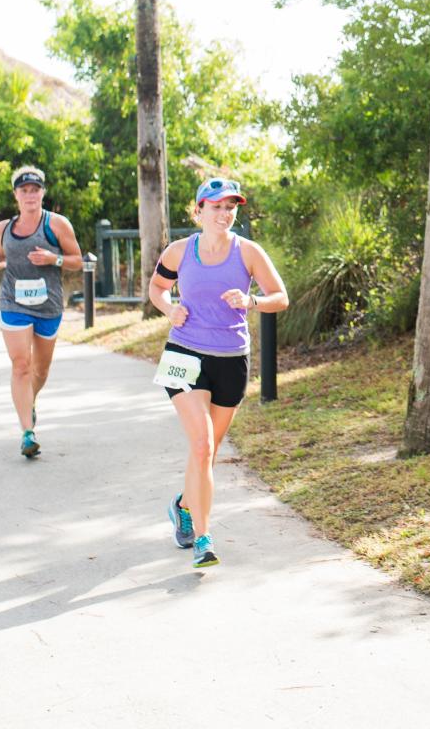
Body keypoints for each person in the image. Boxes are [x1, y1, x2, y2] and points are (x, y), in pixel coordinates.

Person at [148, 177, 288, 569]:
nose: (224, 214)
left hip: (231, 358)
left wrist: (251, 301)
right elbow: (157, 287)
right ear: (198, 211)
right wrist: (169, 309)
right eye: (216, 207)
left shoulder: (248, 252)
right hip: (184, 353)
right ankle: (203, 539)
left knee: (207, 453)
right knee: (202, 445)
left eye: (230, 207)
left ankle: (183, 506)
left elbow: (281, 297)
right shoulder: (179, 251)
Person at [0, 165, 82, 459]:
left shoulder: (57, 225)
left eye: (35, 190)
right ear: (16, 195)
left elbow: (78, 260)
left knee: (40, 370)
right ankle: (27, 432)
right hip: (13, 302)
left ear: (42, 193)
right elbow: (2, 256)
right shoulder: (4, 227)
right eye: (24, 190)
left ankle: (30, 400)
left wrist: (54, 258)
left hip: (48, 305)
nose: (30, 195)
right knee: (21, 365)